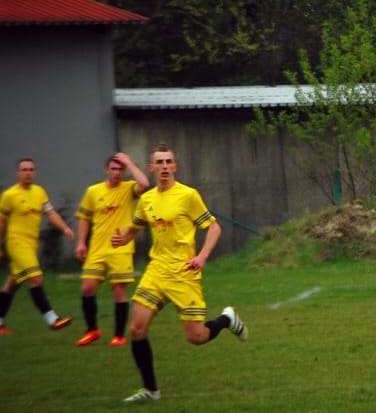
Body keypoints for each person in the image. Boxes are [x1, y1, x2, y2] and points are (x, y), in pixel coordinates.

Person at [111, 143, 248, 402]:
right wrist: (123, 238)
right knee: (137, 329)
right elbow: (136, 226)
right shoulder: (147, 199)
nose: (164, 166)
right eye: (159, 162)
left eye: (168, 162)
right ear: (151, 168)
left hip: (184, 273)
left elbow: (214, 228)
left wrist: (201, 257)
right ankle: (151, 391)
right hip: (156, 271)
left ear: (175, 166)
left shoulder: (188, 195)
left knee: (196, 337)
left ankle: (226, 320)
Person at [74, 152, 150, 347]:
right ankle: (92, 330)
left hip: (120, 247)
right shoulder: (93, 191)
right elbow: (84, 218)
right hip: (97, 248)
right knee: (87, 288)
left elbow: (144, 184)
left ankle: (118, 336)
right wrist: (82, 242)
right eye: (114, 169)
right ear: (106, 170)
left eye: (120, 169)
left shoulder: (128, 189)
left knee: (118, 290)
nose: (117, 173)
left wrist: (130, 163)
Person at [0, 158, 75, 333]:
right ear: (18, 173)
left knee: (12, 283)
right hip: (16, 243)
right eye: (24, 169)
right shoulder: (10, 195)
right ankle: (52, 319)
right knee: (36, 277)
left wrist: (65, 228)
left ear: (35, 173)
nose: (28, 173)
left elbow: (50, 213)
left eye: (31, 169)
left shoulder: (39, 192)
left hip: (31, 244)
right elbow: (1, 222)